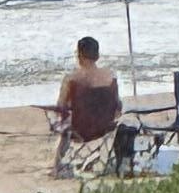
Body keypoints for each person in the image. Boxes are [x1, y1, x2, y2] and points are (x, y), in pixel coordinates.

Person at [50, 31, 125, 173]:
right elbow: (118, 106)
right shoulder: (110, 77)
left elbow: (61, 107)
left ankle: (58, 166)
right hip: (105, 127)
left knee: (65, 128)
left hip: (79, 129)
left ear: (79, 55)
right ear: (97, 55)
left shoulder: (71, 79)